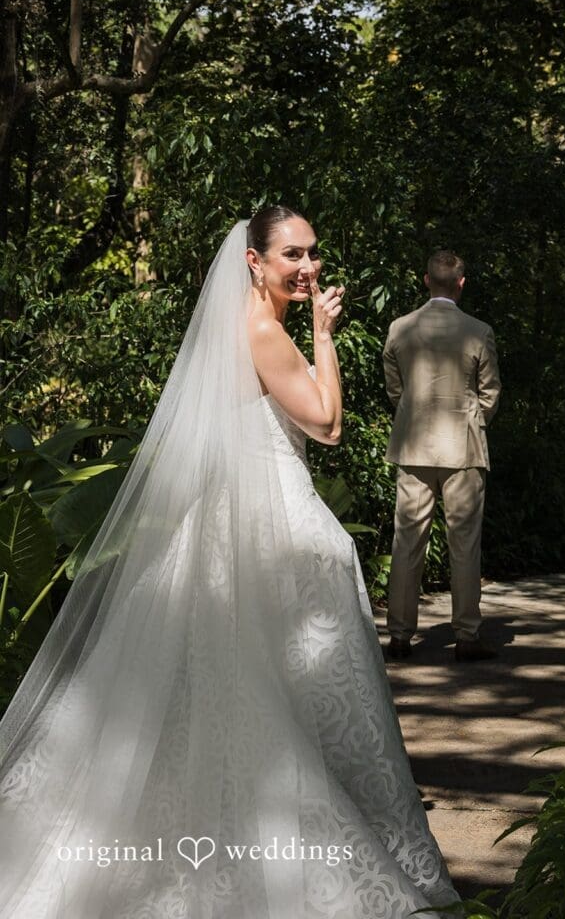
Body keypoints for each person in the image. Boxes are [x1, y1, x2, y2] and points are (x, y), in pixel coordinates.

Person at [0, 208, 459, 918]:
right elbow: (329, 425)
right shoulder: (264, 330)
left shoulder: (232, 327)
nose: (306, 267)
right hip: (272, 524)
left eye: (312, 254)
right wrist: (324, 336)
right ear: (253, 262)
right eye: (290, 255)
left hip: (233, 520)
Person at [383, 248, 502, 663]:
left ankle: (399, 636)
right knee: (465, 544)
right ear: (461, 283)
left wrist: (412, 413)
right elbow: (490, 394)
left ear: (425, 280)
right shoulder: (478, 330)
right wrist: (470, 419)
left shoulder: (400, 328)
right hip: (464, 448)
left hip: (413, 445)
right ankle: (467, 636)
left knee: (407, 541)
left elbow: (395, 388)